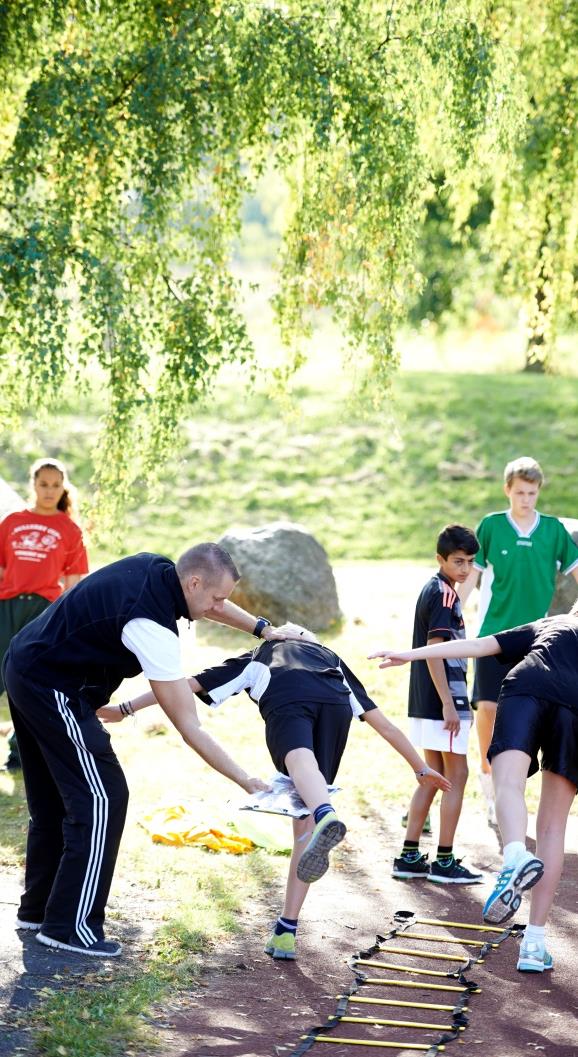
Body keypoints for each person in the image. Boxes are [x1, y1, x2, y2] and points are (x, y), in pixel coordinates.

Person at [3, 542, 308, 959]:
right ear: (194, 582)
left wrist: (264, 630)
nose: (220, 608)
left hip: (27, 663)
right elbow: (189, 727)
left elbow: (214, 606)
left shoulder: (159, 569)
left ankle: (40, 912)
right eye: (217, 597)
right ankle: (69, 926)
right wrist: (247, 781)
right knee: (103, 797)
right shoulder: (152, 627)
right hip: (51, 684)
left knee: (58, 798)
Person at [98, 636, 451, 961]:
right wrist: (419, 768)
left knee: (299, 762)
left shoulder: (259, 654)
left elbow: (181, 688)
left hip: (288, 697)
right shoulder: (330, 657)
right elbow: (382, 723)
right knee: (306, 813)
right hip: (335, 705)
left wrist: (126, 707)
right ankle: (287, 927)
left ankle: (326, 815)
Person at [370, 601, 578, 974]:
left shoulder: (554, 623)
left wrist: (409, 654)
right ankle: (534, 944)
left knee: (508, 786)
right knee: (553, 827)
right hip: (575, 706)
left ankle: (515, 855)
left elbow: (480, 646)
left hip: (526, 686)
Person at [458, 457, 578, 823]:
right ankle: (489, 782)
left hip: (536, 640)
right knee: (489, 709)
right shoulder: (492, 527)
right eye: (520, 492)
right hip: (493, 633)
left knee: (527, 718)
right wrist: (452, 613)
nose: (526, 499)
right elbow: (470, 578)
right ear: (507, 490)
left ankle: (515, 789)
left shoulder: (554, 530)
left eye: (532, 492)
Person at [391, 524, 483, 886]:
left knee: (431, 777)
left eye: (470, 562)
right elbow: (434, 652)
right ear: (441, 559)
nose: (464, 568)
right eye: (458, 561)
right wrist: (448, 703)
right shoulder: (444, 595)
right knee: (454, 775)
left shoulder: (438, 588)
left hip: (427, 699)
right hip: (444, 701)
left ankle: (409, 855)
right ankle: (444, 860)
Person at [0, 457, 89, 770]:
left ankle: (19, 754)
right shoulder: (11, 523)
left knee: (27, 680)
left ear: (62, 488)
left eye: (55, 485)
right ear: (33, 485)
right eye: (43, 484)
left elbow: (74, 583)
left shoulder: (69, 529)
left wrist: (64, 620)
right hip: (7, 605)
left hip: (43, 611)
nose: (49, 491)